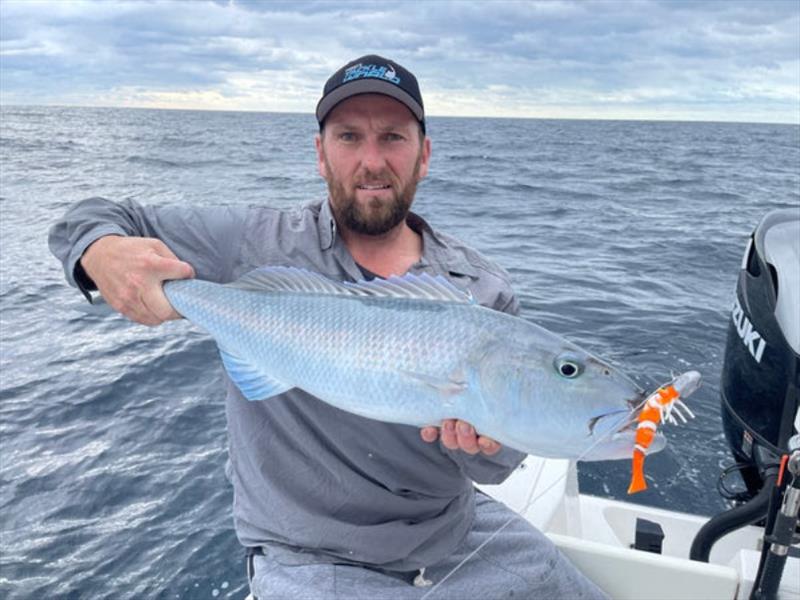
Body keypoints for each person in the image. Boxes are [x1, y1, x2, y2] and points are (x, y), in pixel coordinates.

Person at [49, 55, 606, 599]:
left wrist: (481, 446)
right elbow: (89, 216)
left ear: (424, 155)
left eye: (392, 137)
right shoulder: (252, 242)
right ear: (320, 153)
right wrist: (103, 252)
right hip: (310, 558)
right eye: (348, 137)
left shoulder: (482, 290)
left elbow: (501, 461)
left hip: (456, 537)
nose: (372, 160)